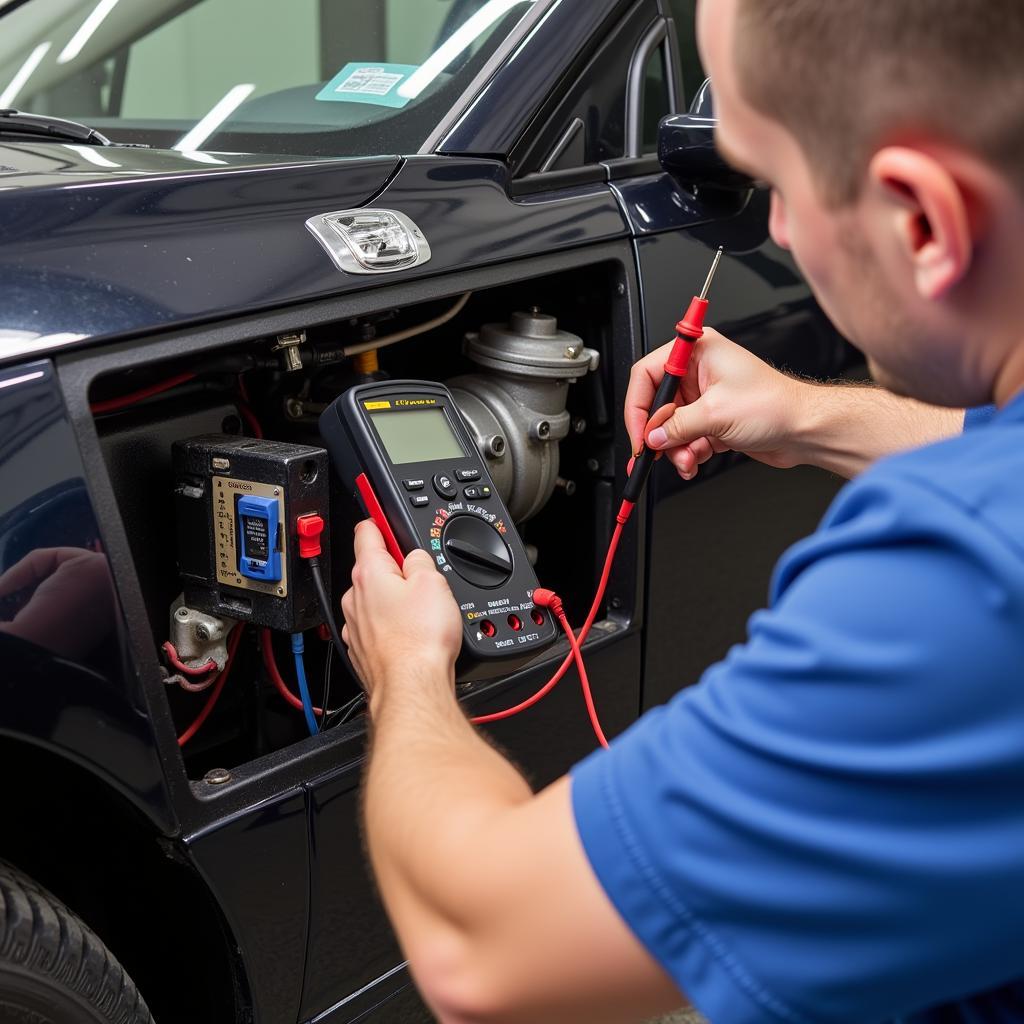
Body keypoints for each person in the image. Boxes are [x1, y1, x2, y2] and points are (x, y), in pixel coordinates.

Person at [339, 0, 1024, 1020]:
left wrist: (407, 675)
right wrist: (807, 414)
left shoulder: (961, 584)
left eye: (779, 186)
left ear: (921, 221)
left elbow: (480, 950)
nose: (779, 232)